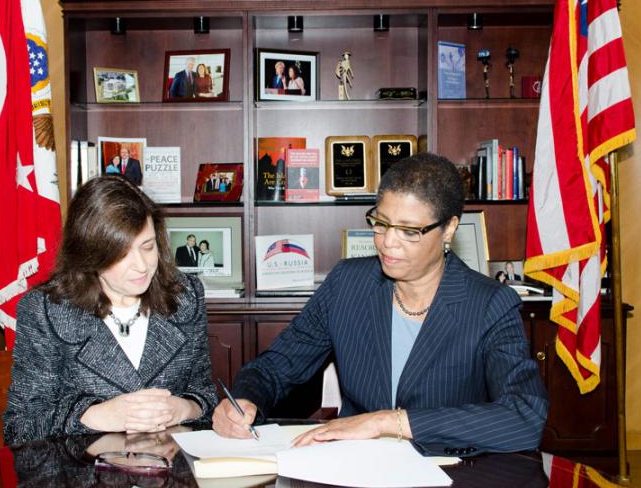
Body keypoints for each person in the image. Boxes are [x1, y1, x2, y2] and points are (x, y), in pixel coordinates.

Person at [212, 153, 548, 455]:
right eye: (381, 223)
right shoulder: (347, 284)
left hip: (448, 487)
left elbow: (524, 417)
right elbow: (276, 366)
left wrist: (387, 423)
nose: (388, 242)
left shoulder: (490, 304)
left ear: (449, 229)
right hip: (358, 487)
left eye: (409, 231)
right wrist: (245, 400)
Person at [3, 176, 218, 446]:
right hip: (83, 480)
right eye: (122, 254)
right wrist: (94, 416)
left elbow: (206, 396)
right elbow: (20, 427)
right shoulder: (46, 311)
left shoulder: (186, 296)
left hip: (170, 480)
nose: (141, 266)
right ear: (90, 254)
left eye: (148, 247)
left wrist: (184, 409)